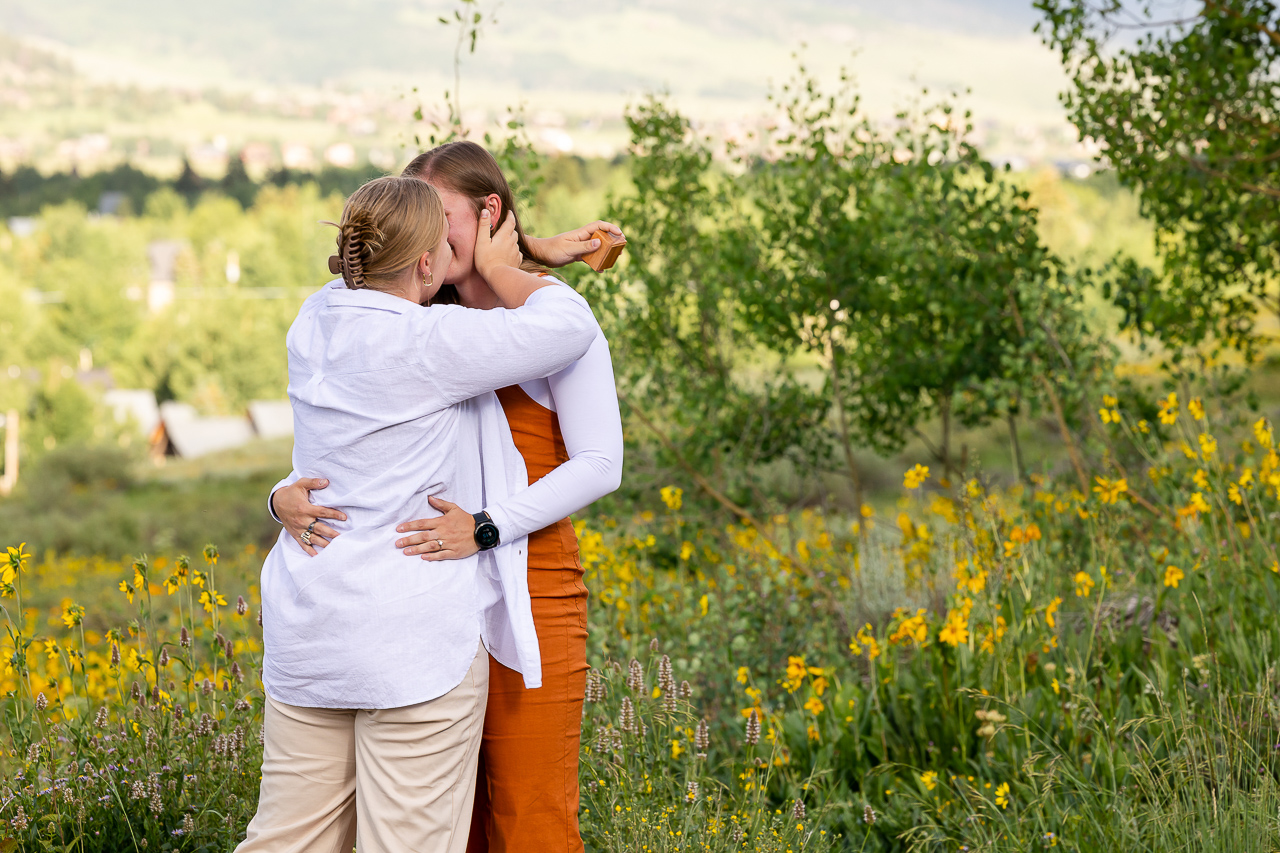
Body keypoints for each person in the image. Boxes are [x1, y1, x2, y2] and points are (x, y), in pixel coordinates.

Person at [271, 141, 624, 853]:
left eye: (443, 215)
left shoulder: (542, 328)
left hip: (527, 584)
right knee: (442, 828)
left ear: (488, 212)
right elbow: (345, 432)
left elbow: (601, 463)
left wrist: (490, 527)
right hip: (427, 598)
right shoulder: (430, 322)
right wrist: (283, 492)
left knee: (526, 818)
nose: (428, 236)